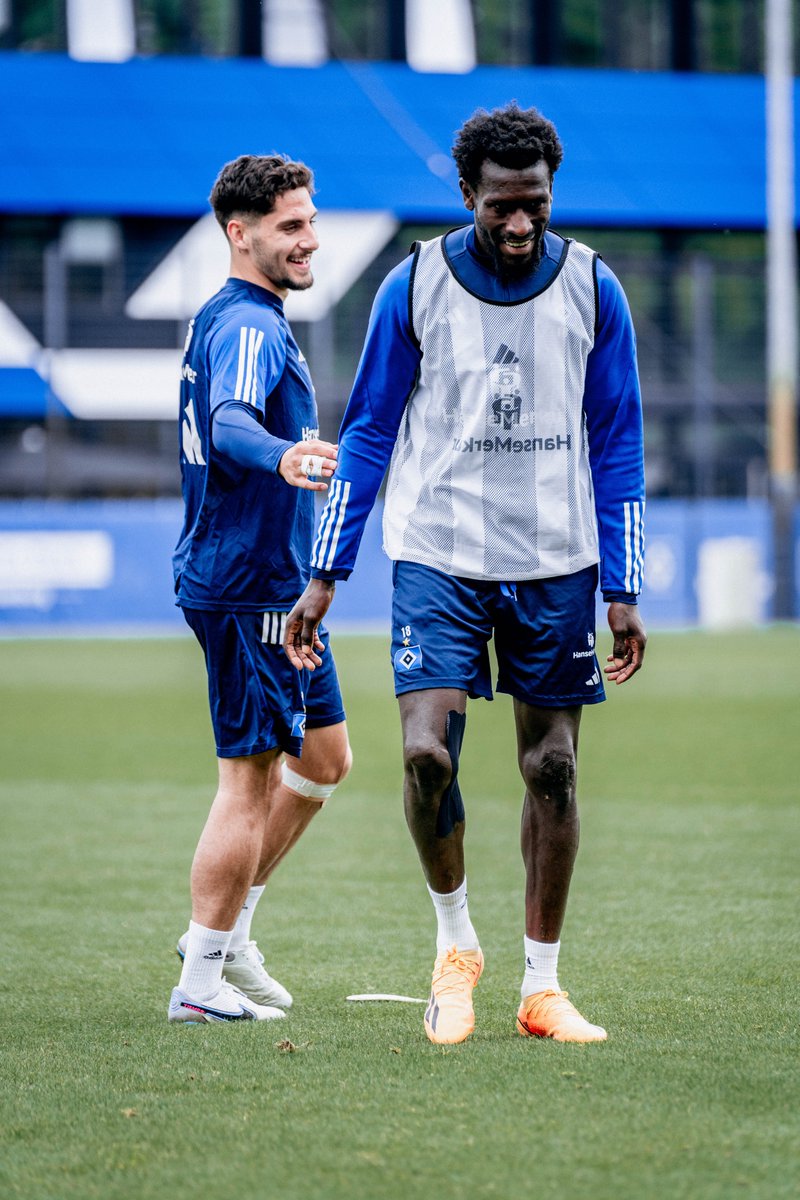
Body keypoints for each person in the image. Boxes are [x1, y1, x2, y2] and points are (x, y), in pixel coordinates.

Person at [284, 103, 646, 1045]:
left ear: (551, 194)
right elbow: (366, 432)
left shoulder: (596, 289)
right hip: (438, 555)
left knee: (553, 769)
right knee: (424, 755)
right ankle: (456, 949)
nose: (521, 224)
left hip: (555, 563)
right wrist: (326, 573)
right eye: (501, 207)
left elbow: (618, 443)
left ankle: (542, 986)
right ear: (466, 195)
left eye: (535, 204)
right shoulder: (413, 286)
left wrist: (624, 586)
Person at [168, 154, 352, 1024]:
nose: (309, 238)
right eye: (289, 225)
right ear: (240, 234)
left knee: (324, 759)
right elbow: (231, 424)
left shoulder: (245, 315)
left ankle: (231, 926)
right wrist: (282, 453)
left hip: (270, 585)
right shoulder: (247, 325)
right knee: (246, 783)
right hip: (248, 589)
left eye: (310, 220)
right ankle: (200, 984)